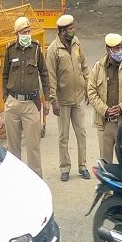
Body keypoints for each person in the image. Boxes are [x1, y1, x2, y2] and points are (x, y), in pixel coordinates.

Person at [2, 16, 50, 178]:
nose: (27, 34)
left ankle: (36, 181)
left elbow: (44, 74)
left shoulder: (36, 49)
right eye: (24, 32)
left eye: (29, 31)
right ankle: (15, 181)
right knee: (13, 148)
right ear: (17, 34)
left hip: (31, 104)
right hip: (13, 103)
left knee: (33, 148)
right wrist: (6, 99)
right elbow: (4, 75)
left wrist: (47, 99)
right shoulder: (10, 50)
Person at [46, 14, 90, 182]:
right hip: (62, 101)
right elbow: (51, 77)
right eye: (70, 28)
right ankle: (65, 167)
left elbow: (83, 65)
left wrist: (87, 86)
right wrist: (53, 100)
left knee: (82, 133)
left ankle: (82, 166)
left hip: (78, 97)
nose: (73, 30)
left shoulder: (77, 42)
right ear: (63, 31)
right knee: (63, 136)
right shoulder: (53, 50)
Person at [88, 33, 122, 163]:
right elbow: (91, 92)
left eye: (120, 47)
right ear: (108, 49)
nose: (119, 51)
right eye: (116, 48)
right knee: (105, 162)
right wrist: (105, 110)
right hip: (105, 121)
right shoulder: (98, 67)